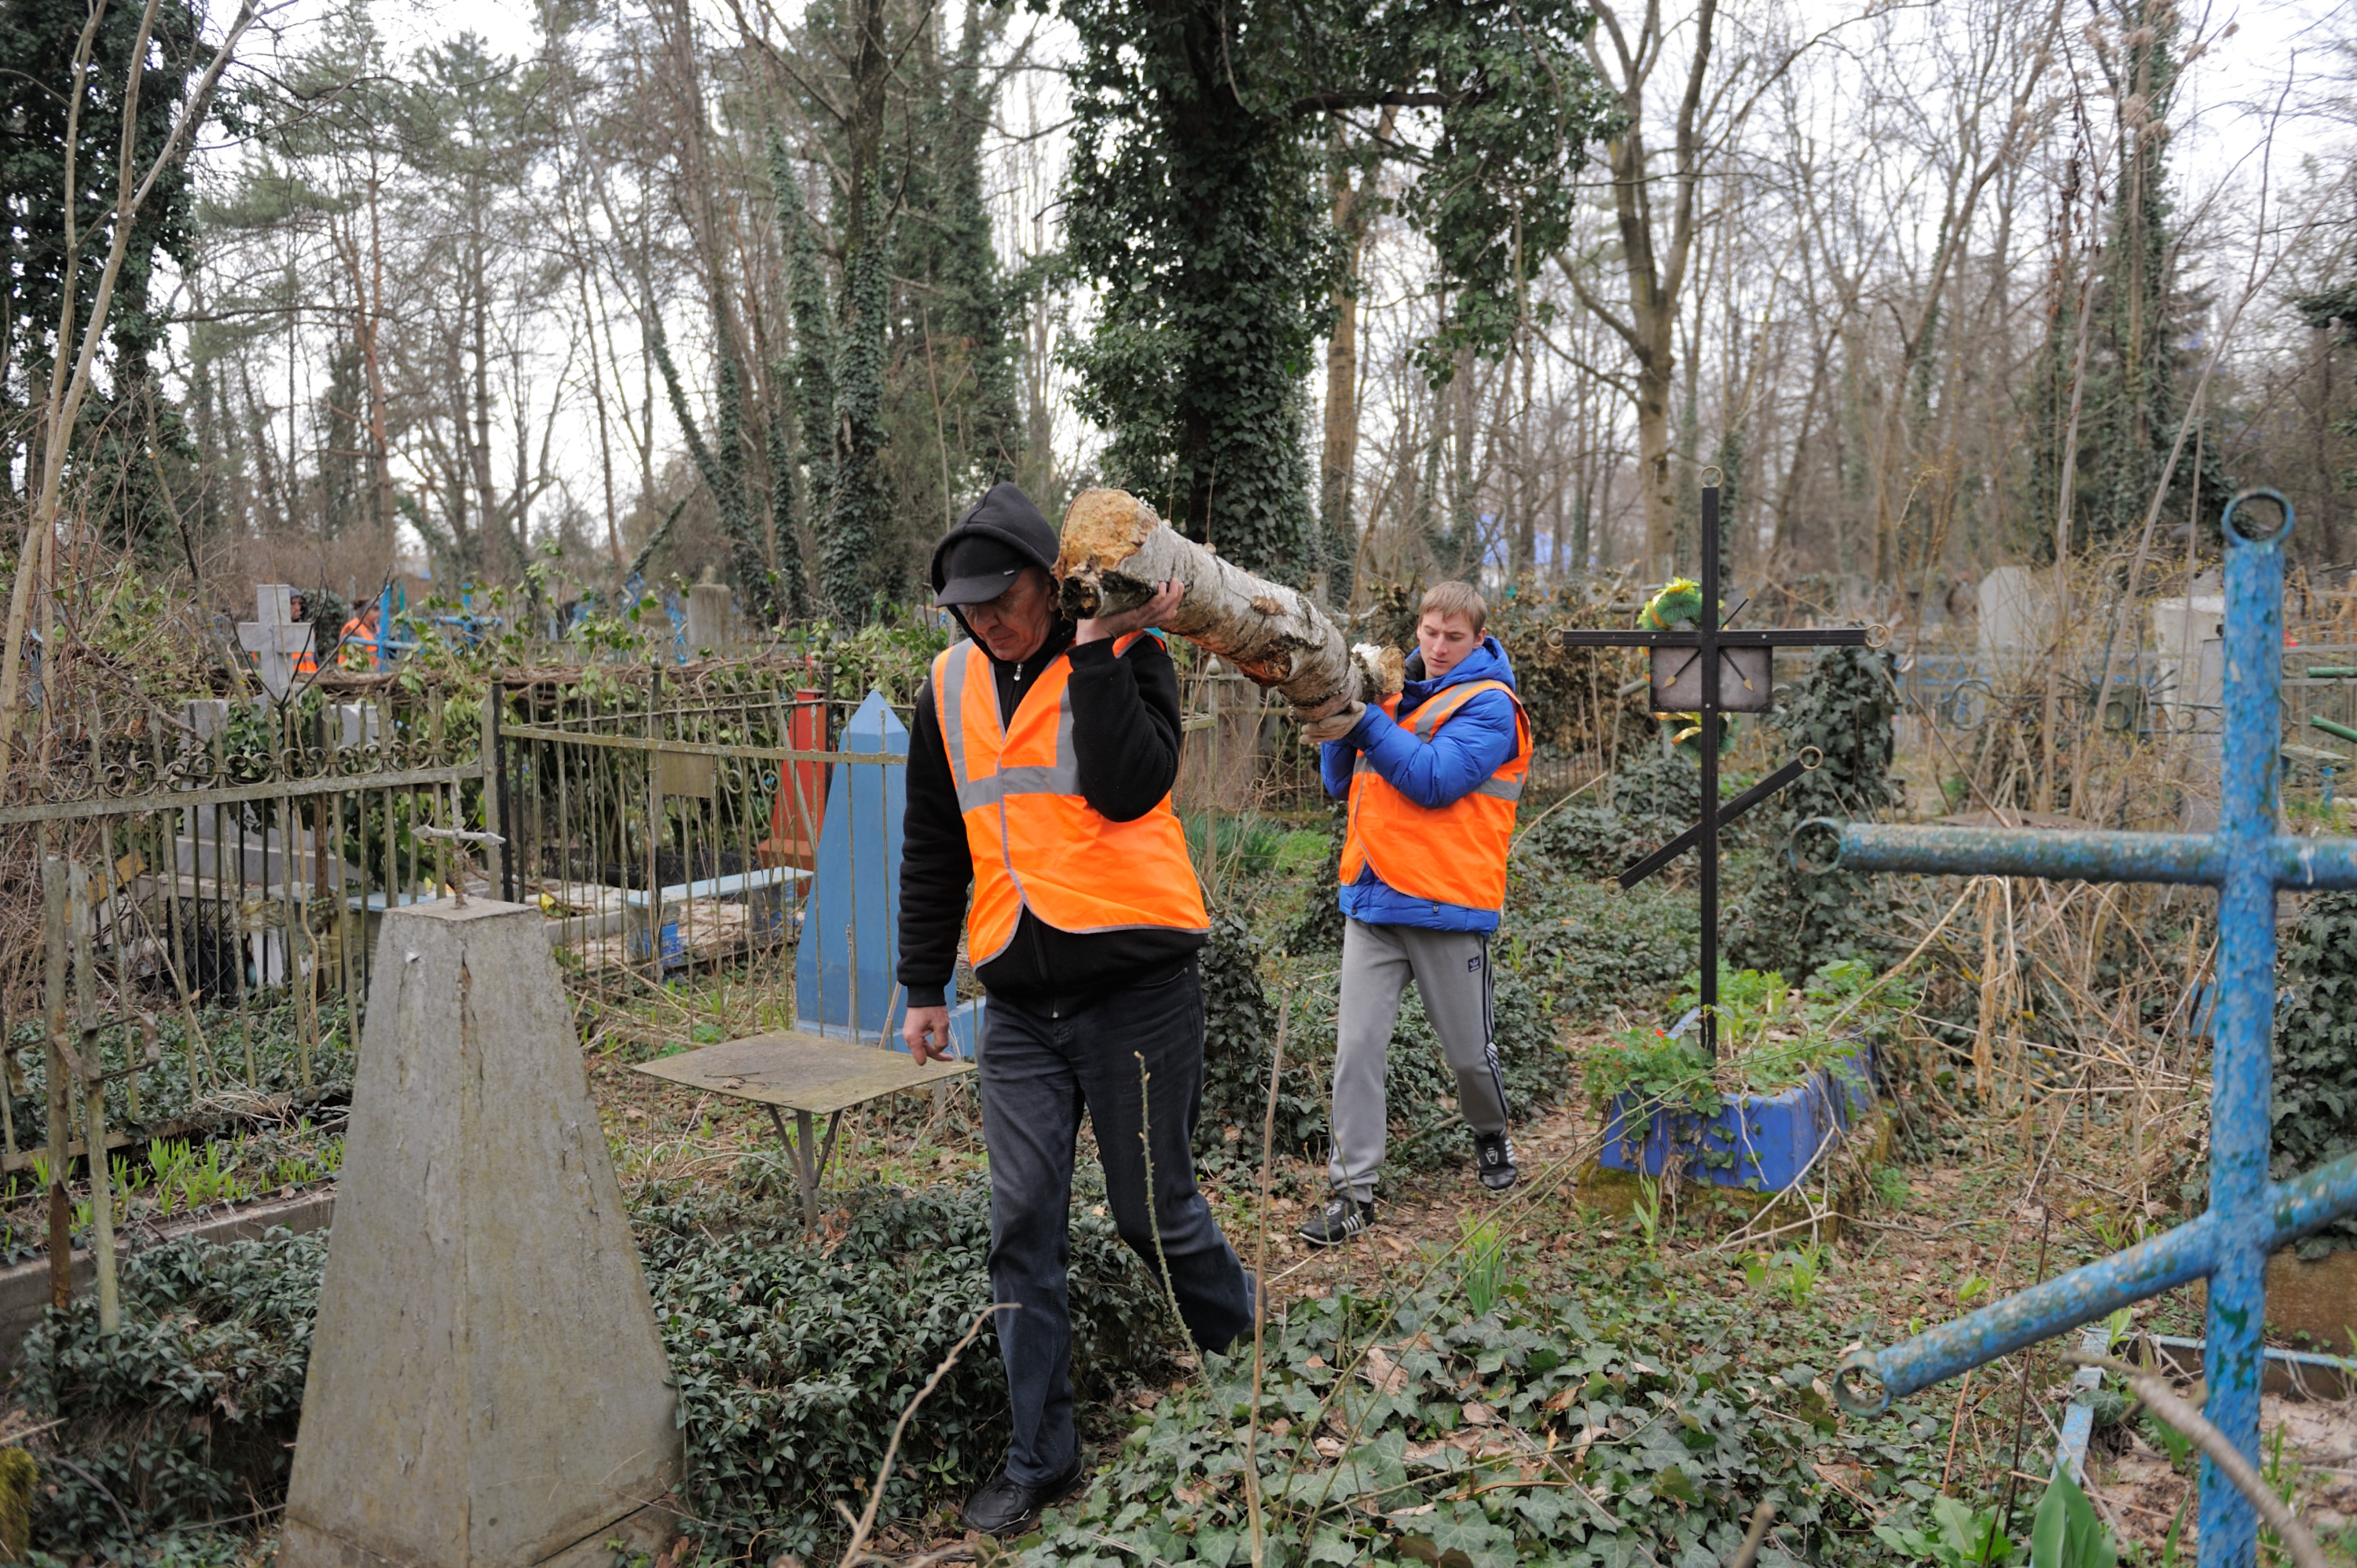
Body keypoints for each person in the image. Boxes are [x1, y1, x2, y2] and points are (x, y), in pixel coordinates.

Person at [898, 482, 1255, 1538]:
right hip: (1016, 999)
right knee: (1022, 1228)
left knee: (1153, 1213)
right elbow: (933, 841)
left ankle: (1250, 1375)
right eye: (969, 608)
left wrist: (1099, 648)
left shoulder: (1131, 643)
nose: (988, 623)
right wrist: (925, 985)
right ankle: (1039, 1458)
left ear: (1048, 582)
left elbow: (1132, 786)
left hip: (1136, 989)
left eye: (1003, 601)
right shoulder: (947, 687)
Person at [1296, 581, 1532, 1247]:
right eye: (1429, 633)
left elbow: (1433, 781)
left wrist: (1368, 720)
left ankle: (1490, 1133)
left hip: (1447, 904)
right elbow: (1339, 783)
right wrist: (1339, 714)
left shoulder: (1492, 708)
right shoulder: (1393, 694)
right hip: (1373, 898)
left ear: (1479, 639)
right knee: (1356, 1050)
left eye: (1454, 637)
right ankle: (1353, 1193)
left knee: (1467, 1057)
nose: (1437, 647)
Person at [339, 600, 381, 672]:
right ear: (365, 612)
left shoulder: (377, 629)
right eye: (375, 610)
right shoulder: (352, 628)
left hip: (375, 673)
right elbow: (354, 659)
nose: (378, 614)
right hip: (353, 674)